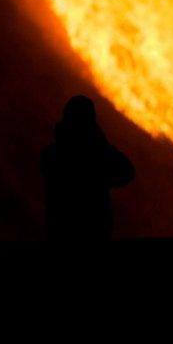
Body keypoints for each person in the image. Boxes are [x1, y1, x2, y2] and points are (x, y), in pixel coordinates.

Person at [41, 95, 134, 241]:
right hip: (92, 231)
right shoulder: (96, 154)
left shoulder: (51, 154)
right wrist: (101, 142)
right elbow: (126, 171)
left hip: (60, 231)